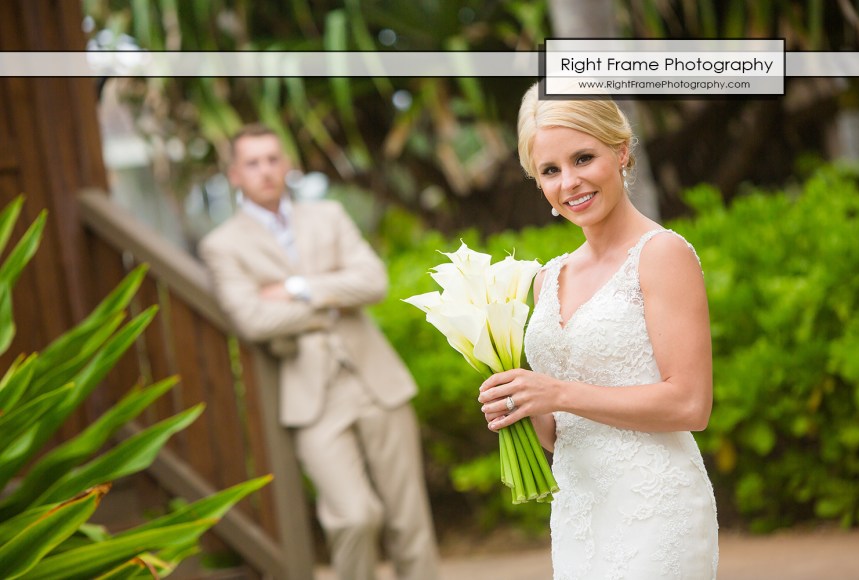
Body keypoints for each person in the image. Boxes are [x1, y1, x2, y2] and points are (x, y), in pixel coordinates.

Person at [478, 84, 719, 579]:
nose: (570, 182)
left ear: (622, 150)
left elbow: (690, 405)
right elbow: (556, 433)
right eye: (550, 170)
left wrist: (558, 392)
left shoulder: (662, 255)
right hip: (578, 514)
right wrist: (518, 402)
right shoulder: (547, 279)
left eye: (583, 158)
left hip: (655, 509)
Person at [199, 124, 439, 580]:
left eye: (273, 159)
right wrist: (329, 306)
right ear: (234, 174)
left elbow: (373, 282)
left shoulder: (327, 215)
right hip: (311, 398)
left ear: (287, 164)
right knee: (353, 515)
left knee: (411, 521)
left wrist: (296, 288)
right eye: (253, 163)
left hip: (377, 381)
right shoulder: (222, 245)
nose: (265, 171)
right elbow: (251, 319)